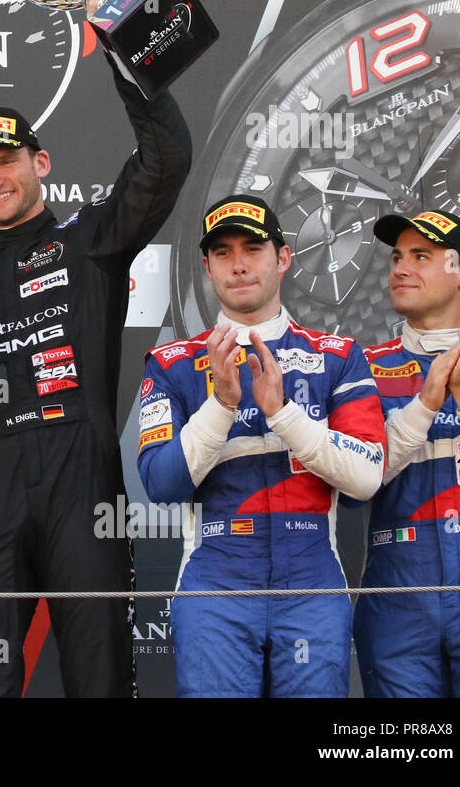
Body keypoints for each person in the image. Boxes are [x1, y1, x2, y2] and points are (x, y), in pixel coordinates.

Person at [0, 55, 191, 697]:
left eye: (7, 160)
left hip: (82, 479)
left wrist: (129, 59)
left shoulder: (91, 241)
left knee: (98, 669)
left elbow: (165, 161)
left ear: (39, 163)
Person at [137, 196, 385, 696]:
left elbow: (366, 479)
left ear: (284, 257)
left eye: (253, 247)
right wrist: (222, 405)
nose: (240, 264)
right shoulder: (172, 363)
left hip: (312, 582)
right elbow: (160, 485)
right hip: (215, 583)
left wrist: (284, 416)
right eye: (223, 253)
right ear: (206, 267)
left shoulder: (337, 356)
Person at [357, 210, 460, 696]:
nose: (400, 268)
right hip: (397, 592)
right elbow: (357, 483)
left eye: (421, 256)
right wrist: (425, 404)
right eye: (397, 257)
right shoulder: (359, 370)